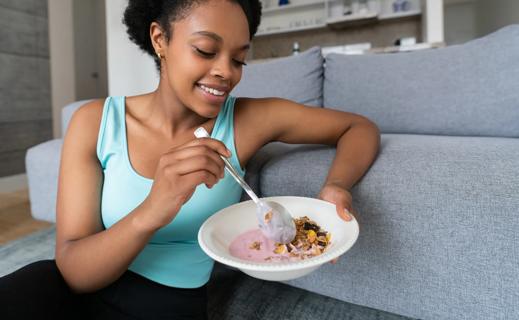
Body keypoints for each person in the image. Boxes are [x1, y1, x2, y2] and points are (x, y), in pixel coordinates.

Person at [0, 0, 380, 319]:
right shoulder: (95, 121)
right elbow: (75, 272)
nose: (225, 72)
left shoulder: (248, 121)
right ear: (159, 39)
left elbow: (357, 128)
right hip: (67, 292)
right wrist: (154, 209)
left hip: (168, 305)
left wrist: (337, 186)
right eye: (205, 50)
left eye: (239, 60)